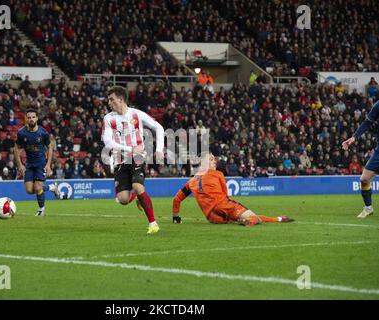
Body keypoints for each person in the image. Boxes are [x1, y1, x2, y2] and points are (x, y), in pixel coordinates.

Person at [102, 86, 164, 234]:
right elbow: (108, 142)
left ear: (121, 99)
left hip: (138, 157)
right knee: (123, 199)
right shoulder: (108, 118)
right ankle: (135, 197)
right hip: (120, 160)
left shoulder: (136, 114)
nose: (109, 102)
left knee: (137, 186)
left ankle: (153, 223)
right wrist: (130, 149)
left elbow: (159, 128)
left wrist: (159, 150)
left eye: (112, 99)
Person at [172, 152, 294, 226]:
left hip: (212, 217)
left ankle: (279, 219)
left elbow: (177, 199)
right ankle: (252, 222)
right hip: (223, 205)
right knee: (254, 218)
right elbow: (225, 195)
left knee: (244, 217)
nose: (214, 161)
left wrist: (176, 217)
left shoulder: (191, 182)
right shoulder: (218, 174)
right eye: (211, 159)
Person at [14, 108, 60, 217]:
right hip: (29, 164)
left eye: (33, 117)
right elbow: (16, 148)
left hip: (41, 164)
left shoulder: (43, 133)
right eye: (29, 117)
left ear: (37, 118)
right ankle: (52, 187)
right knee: (29, 190)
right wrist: (20, 165)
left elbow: (50, 147)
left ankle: (41, 210)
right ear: (26, 119)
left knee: (38, 187)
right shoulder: (21, 133)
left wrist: (48, 165)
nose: (31, 119)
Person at [342, 99, 379, 218]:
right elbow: (367, 122)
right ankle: (368, 208)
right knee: (364, 179)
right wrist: (354, 137)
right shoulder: (378, 105)